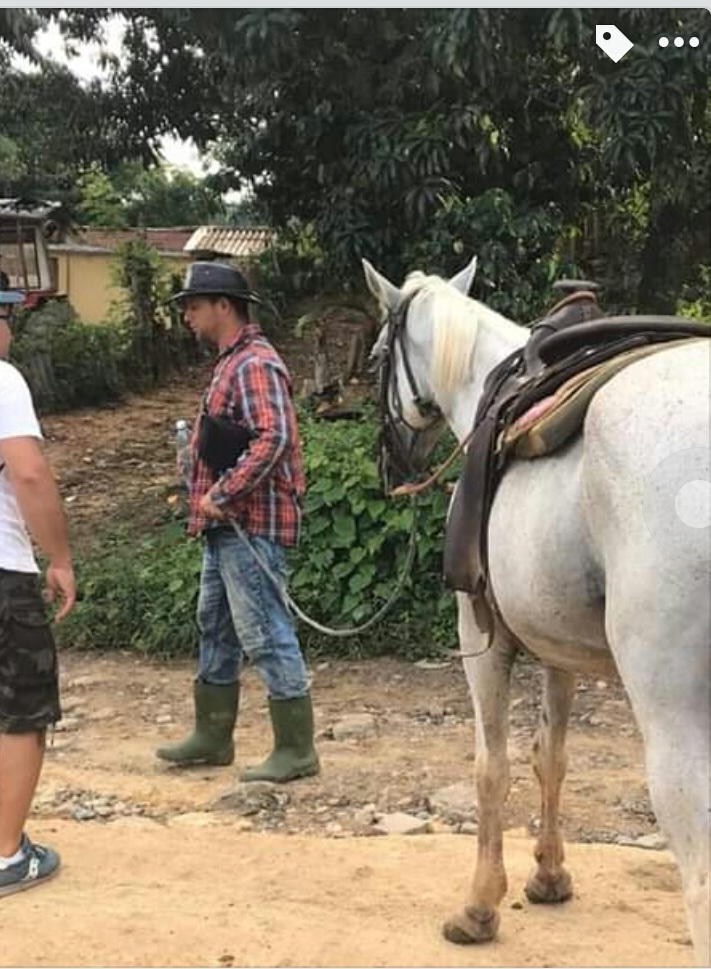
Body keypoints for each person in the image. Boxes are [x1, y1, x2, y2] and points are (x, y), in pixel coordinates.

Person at [156, 262, 319, 784]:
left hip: (249, 524)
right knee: (217, 626)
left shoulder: (254, 364)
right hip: (227, 525)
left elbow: (274, 437)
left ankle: (296, 749)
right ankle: (213, 735)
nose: (187, 314)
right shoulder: (234, 362)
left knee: (264, 630)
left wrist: (222, 493)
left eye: (194, 305)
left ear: (223, 306)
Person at [0, 288, 76, 897]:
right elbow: (27, 470)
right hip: (2, 571)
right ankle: (6, 854)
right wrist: (60, 557)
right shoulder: (2, 380)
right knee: (22, 706)